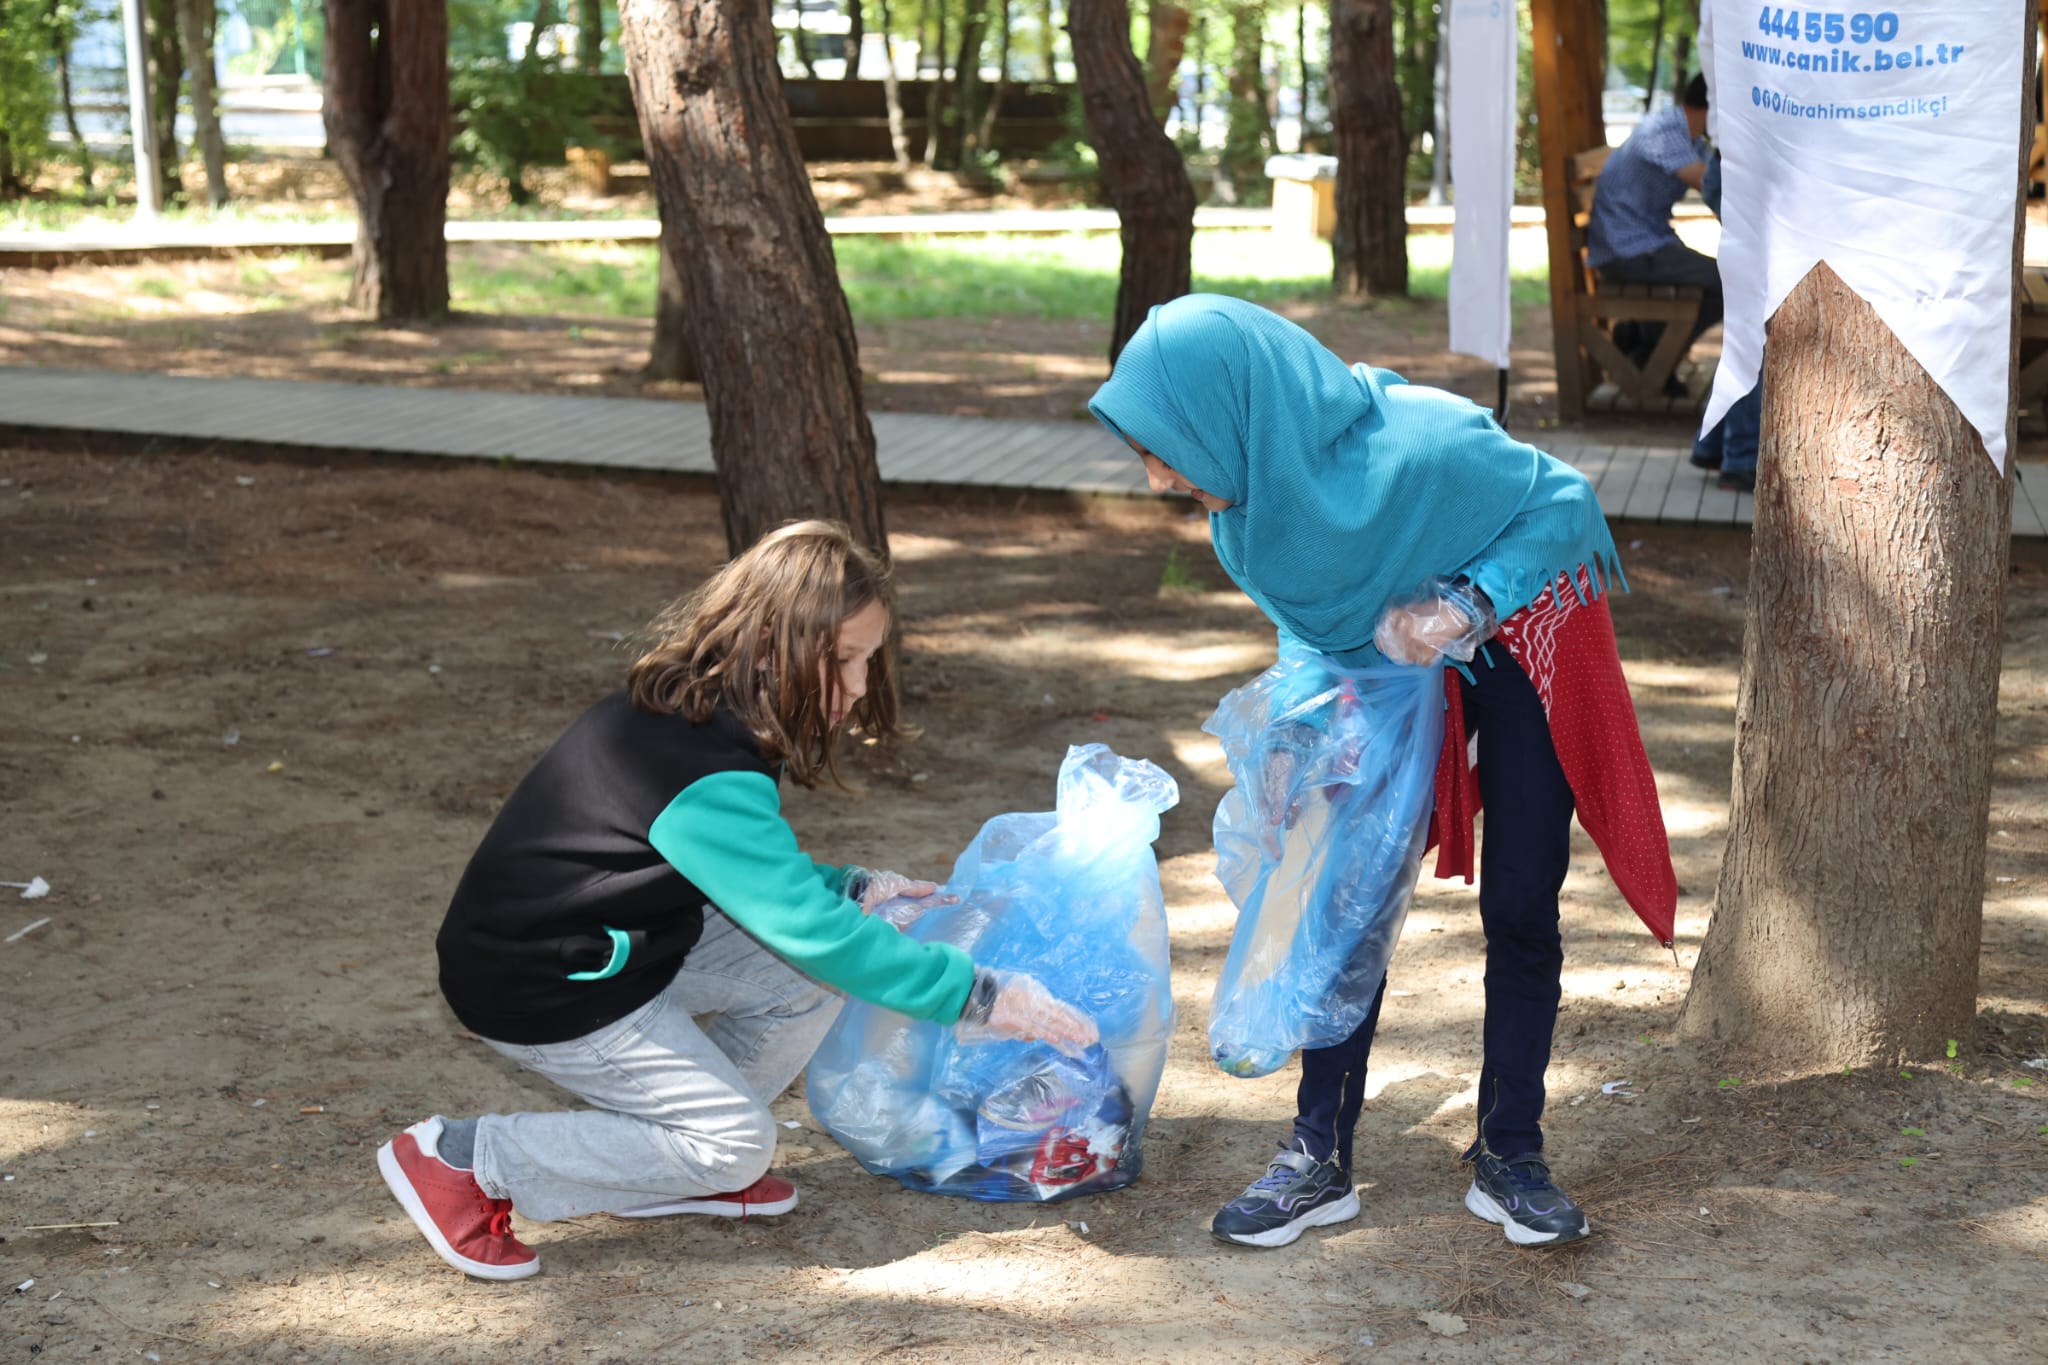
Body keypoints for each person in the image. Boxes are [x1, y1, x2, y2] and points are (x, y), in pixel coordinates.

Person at [1089, 296, 1676, 1251]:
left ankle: (1511, 1151)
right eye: (1149, 456)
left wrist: (1466, 602)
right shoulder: (1244, 519)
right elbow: (1310, 620)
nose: (1159, 480)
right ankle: (1317, 1158)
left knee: (1522, 896)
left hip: (1525, 631)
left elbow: (1564, 502)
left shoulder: (1422, 441)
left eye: (1166, 450)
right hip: (1386, 665)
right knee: (1340, 883)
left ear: (1233, 412)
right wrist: (1292, 737)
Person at [376, 520, 1099, 1280]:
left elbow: (756, 880)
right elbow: (816, 932)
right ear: (773, 644)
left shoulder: (707, 715)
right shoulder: (696, 760)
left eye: (867, 661)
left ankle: (672, 1163)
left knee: (806, 982)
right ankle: (466, 1159)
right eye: (843, 661)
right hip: (542, 983)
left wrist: (848, 888)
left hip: (616, 944)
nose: (857, 688)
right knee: (739, 1135)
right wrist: (978, 995)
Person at [1588, 74, 1720, 387]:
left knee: (1725, 279)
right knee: (1728, 283)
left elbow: (1718, 188)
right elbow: (1708, 182)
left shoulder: (1690, 138)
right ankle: (1654, 361)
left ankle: (1642, 337)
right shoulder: (1664, 131)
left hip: (1642, 244)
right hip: (1627, 251)